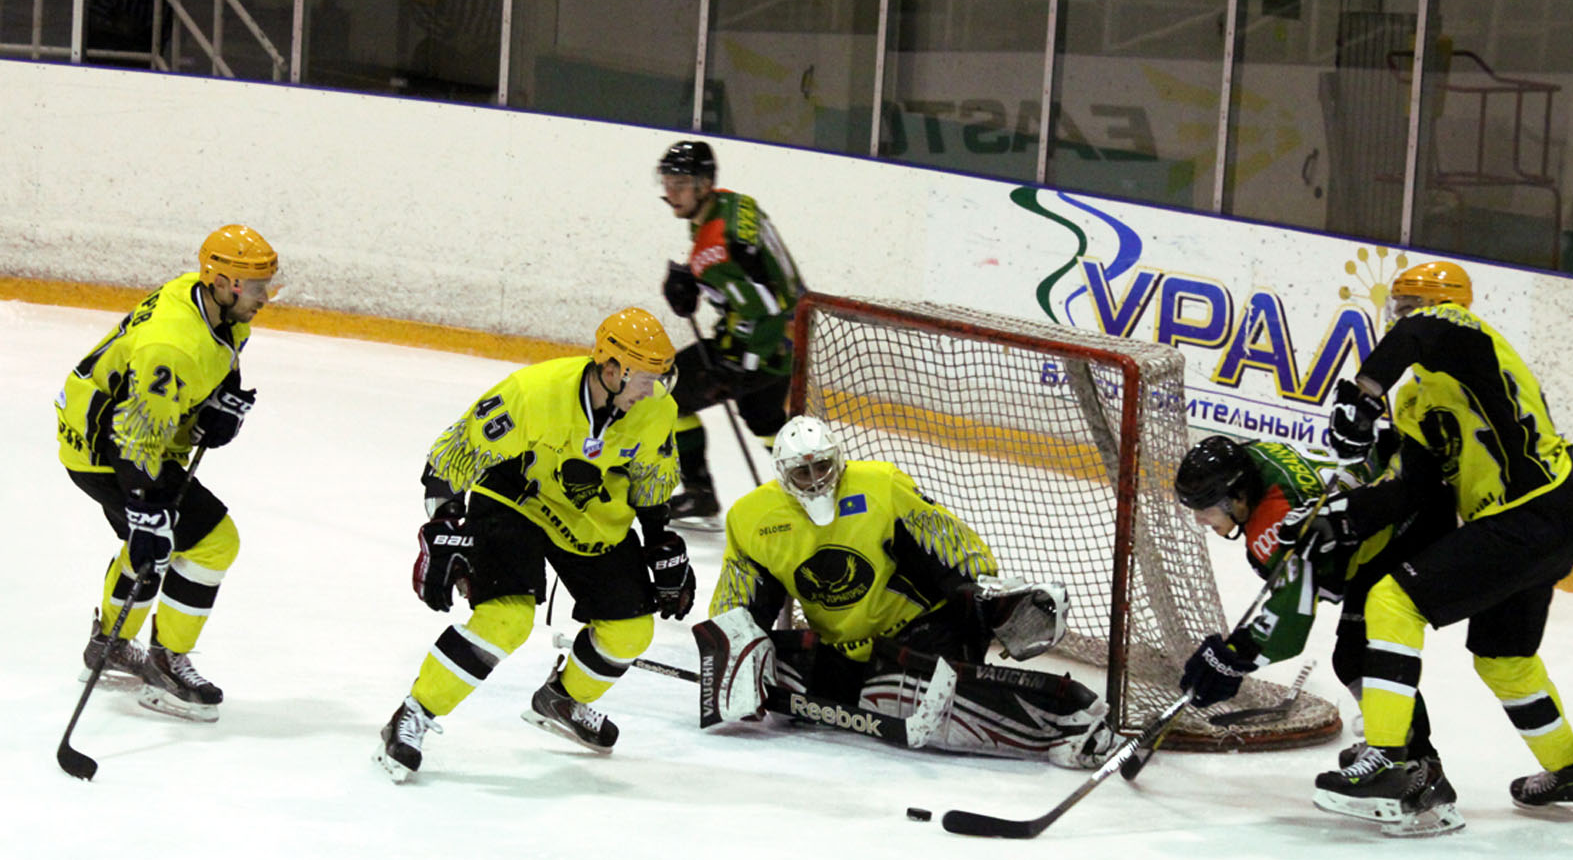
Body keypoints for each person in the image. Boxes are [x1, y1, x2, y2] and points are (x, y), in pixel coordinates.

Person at [1291, 260, 1573, 818]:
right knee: (1504, 659)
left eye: (1410, 306)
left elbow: (1421, 330)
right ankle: (1570, 773)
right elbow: (1413, 488)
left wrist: (1363, 393)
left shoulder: (1468, 338)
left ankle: (1389, 761)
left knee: (1392, 601)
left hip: (1529, 514)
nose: (1402, 317)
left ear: (1443, 304)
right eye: (1399, 307)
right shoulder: (1417, 399)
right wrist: (1341, 518)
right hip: (1539, 524)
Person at [375, 307, 696, 782]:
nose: (651, 391)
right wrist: (444, 525)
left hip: (589, 517)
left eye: (658, 379)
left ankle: (562, 700)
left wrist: (660, 540)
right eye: (644, 378)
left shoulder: (656, 410)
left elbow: (651, 479)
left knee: (630, 631)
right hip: (514, 501)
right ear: (611, 368)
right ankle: (413, 714)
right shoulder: (534, 393)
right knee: (505, 620)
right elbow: (450, 458)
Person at [697, 414, 1112, 767]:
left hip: (923, 634)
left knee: (909, 688)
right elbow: (738, 603)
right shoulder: (751, 518)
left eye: (822, 467)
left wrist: (982, 598)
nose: (815, 480)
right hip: (846, 651)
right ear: (783, 474)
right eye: (802, 472)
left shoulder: (880, 486)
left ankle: (1070, 718)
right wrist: (733, 659)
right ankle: (877, 686)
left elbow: (952, 548)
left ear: (838, 460)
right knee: (781, 662)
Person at [1174, 433, 1463, 834]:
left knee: (1362, 656)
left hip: (1405, 530)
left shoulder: (1273, 520)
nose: (1200, 520)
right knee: (1352, 657)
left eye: (1205, 509)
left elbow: (1290, 624)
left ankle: (1420, 772)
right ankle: (1394, 749)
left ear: (1238, 497)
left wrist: (1235, 657)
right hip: (1394, 516)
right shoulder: (1255, 459)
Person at [55, 223, 279, 723]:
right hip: (110, 451)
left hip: (107, 437)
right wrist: (144, 505)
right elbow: (134, 437)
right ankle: (165, 664)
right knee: (211, 542)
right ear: (222, 283)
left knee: (154, 544)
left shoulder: (212, 305)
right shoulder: (173, 345)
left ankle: (109, 645)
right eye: (257, 286)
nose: (265, 297)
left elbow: (214, 365)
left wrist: (216, 407)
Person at [656, 139, 805, 530]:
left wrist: (738, 367)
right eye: (667, 182)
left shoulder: (716, 246)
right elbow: (756, 272)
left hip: (759, 346)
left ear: (704, 184)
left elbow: (765, 305)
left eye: (680, 183)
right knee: (764, 419)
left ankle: (700, 491)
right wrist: (693, 280)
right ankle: (812, 492)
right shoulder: (732, 204)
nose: (671, 192)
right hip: (790, 339)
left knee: (663, 395)